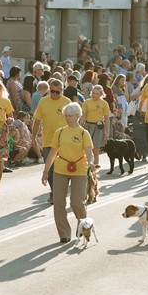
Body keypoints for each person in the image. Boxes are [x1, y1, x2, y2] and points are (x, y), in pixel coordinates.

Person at [41, 103, 93, 243]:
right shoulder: (60, 132)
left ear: (78, 116)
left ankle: (82, 225)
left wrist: (91, 163)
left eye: (70, 116)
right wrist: (46, 171)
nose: (67, 118)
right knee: (58, 202)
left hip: (80, 169)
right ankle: (64, 234)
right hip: (60, 169)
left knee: (77, 202)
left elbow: (89, 151)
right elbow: (52, 152)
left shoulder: (83, 133)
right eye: (66, 116)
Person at [32, 78, 71, 203]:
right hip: (48, 141)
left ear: (62, 91)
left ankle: (58, 193)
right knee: (49, 169)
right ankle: (55, 192)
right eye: (52, 91)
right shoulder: (43, 102)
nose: (54, 94)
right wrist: (33, 137)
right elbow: (37, 120)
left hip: (64, 141)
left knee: (63, 169)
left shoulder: (67, 102)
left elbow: (74, 120)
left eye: (57, 92)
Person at [80, 84, 111, 167]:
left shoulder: (104, 103)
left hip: (98, 127)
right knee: (86, 148)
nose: (94, 95)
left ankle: (95, 168)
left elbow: (107, 119)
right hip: (88, 125)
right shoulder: (87, 102)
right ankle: (86, 167)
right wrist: (79, 127)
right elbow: (83, 115)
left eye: (97, 94)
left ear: (101, 95)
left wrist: (106, 132)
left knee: (96, 149)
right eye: (93, 93)